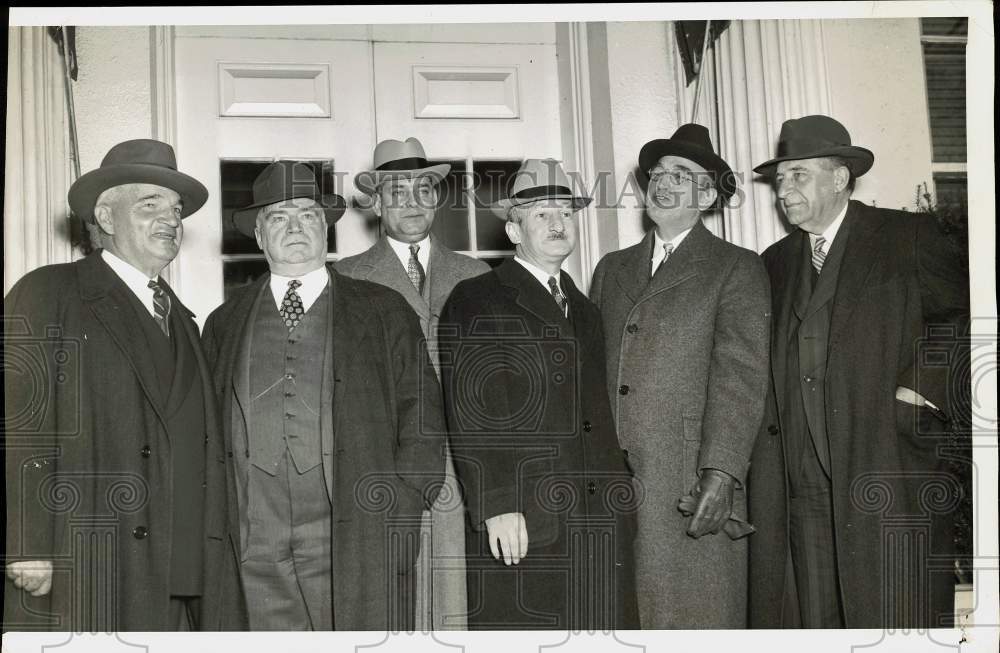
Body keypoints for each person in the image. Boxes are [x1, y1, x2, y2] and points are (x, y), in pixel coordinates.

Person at [3, 139, 245, 631]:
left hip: (180, 567)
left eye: (176, 209)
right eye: (150, 204)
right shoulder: (48, 292)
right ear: (106, 218)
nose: (170, 219)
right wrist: (27, 545)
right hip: (88, 557)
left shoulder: (183, 319)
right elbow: (18, 424)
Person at [201, 160, 445, 631]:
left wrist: (404, 504)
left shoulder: (382, 309)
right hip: (255, 534)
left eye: (308, 215)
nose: (295, 227)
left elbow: (423, 416)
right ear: (259, 235)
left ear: (325, 228)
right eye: (279, 217)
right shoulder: (224, 321)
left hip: (354, 529)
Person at [747, 115, 970, 628]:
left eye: (798, 175)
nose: (783, 190)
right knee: (817, 621)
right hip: (804, 484)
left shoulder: (906, 235)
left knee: (896, 613)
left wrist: (919, 393)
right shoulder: (774, 261)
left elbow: (961, 318)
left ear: (840, 178)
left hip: (886, 464)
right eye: (779, 179)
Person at [439, 158, 639, 630]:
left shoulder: (585, 309)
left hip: (597, 519)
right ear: (514, 231)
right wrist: (498, 504)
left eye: (565, 213)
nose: (557, 223)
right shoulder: (477, 298)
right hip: (526, 520)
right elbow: (472, 413)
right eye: (542, 214)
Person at [589, 124, 771, 628]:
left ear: (707, 196)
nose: (662, 184)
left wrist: (722, 472)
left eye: (681, 175)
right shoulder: (611, 268)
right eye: (658, 173)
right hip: (613, 480)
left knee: (693, 616)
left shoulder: (735, 268)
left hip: (687, 478)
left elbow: (741, 378)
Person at [337, 138, 489, 630]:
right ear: (376, 204)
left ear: (437, 199)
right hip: (386, 463)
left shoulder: (477, 275)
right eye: (396, 191)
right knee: (388, 598)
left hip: (462, 463)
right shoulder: (345, 277)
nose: (412, 202)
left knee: (455, 598)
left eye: (423, 189)